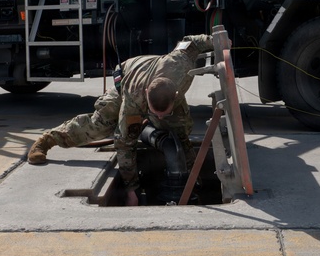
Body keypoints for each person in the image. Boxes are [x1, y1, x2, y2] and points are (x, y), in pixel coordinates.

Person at [27, 34, 213, 205]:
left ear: (177, 97)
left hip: (158, 73)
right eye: (154, 112)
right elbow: (125, 143)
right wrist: (131, 189)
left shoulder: (180, 66)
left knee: (180, 131)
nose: (159, 117)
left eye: (162, 113)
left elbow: (193, 42)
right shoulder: (134, 99)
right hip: (126, 78)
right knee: (100, 125)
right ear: (147, 95)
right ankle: (48, 140)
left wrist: (217, 41)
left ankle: (193, 180)